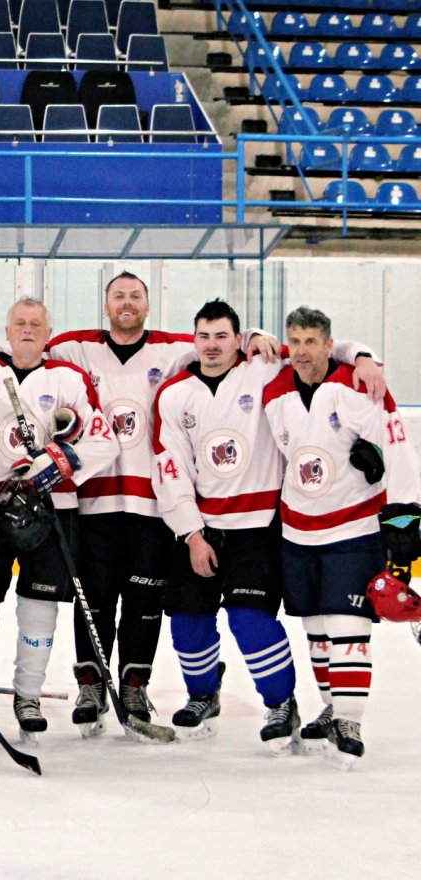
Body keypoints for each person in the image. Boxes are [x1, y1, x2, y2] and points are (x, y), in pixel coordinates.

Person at [0, 272, 288, 736]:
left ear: (148, 306)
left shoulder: (176, 348)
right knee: (90, 600)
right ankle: (90, 685)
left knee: (144, 599)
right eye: (119, 296)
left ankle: (135, 684)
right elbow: (29, 344)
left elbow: (222, 346)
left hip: (150, 507)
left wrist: (256, 335)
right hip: (91, 506)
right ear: (106, 304)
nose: (127, 303)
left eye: (136, 296)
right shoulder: (75, 347)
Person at [152, 300, 377, 750]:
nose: (212, 346)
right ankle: (203, 694)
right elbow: (170, 467)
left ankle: (280, 703)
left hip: (257, 527)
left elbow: (320, 351)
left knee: (249, 620)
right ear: (192, 341)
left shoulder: (264, 370)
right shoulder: (174, 393)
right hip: (200, 527)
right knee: (187, 623)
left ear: (239, 340)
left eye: (222, 336)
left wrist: (365, 356)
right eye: (203, 336)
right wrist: (192, 534)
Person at [0, 298, 118, 741]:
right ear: (7, 330)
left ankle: (27, 696)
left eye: (36, 324)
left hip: (52, 511)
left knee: (40, 606)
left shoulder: (69, 379)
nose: (28, 330)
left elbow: (104, 440)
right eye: (20, 324)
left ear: (49, 332)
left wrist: (62, 459)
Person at [262, 306, 420, 767]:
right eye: (295, 340)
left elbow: (395, 443)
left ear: (330, 346)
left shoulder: (356, 383)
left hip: (353, 526)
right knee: (315, 628)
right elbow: (246, 346)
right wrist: (256, 334)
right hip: (296, 529)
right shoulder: (274, 387)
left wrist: (404, 519)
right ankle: (331, 707)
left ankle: (349, 719)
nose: (302, 350)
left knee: (346, 626)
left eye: (312, 341)